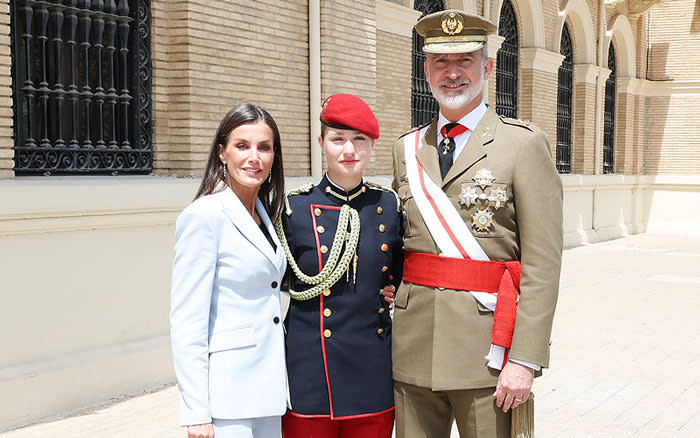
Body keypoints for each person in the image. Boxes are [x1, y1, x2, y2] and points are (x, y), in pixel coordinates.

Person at [386, 10, 563, 438]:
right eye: (441, 63)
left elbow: (543, 264)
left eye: (464, 60)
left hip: (489, 355)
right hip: (413, 349)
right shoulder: (406, 148)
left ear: (488, 67)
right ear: (426, 70)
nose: (452, 74)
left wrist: (524, 358)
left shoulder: (522, 145)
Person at [277, 94, 402, 438]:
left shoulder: (388, 205)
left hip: (372, 370)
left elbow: (403, 271)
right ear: (321, 143)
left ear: (372, 145)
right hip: (310, 371)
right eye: (338, 139)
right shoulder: (292, 209)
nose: (349, 150)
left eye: (359, 140)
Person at [170, 103, 288, 438]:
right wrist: (196, 411)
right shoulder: (204, 216)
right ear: (222, 153)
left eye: (264, 148)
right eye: (242, 146)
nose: (255, 157)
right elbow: (187, 320)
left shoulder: (266, 214)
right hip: (226, 397)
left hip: (269, 391)